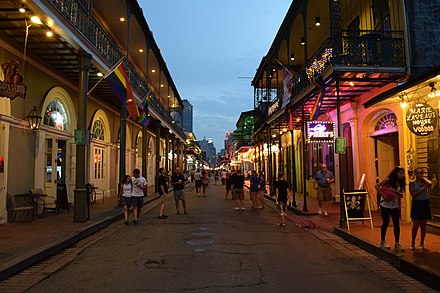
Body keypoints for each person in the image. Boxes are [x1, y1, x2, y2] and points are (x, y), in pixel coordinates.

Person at [375, 166, 406, 252]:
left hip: (394, 205)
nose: (402, 175)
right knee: (386, 222)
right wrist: (383, 194)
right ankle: (382, 241)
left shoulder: (400, 183)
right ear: (396, 173)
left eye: (403, 173)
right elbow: (377, 186)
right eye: (400, 173)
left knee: (396, 223)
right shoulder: (388, 180)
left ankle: (397, 243)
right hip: (385, 205)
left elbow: (398, 193)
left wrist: (399, 194)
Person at [409, 167, 432, 250]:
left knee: (423, 225)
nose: (419, 175)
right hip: (417, 203)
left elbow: (430, 183)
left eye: (421, 173)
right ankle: (413, 242)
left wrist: (423, 179)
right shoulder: (412, 183)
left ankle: (422, 242)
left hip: (424, 203)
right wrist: (423, 188)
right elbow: (413, 194)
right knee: (416, 224)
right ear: (415, 174)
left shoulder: (425, 182)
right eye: (417, 173)